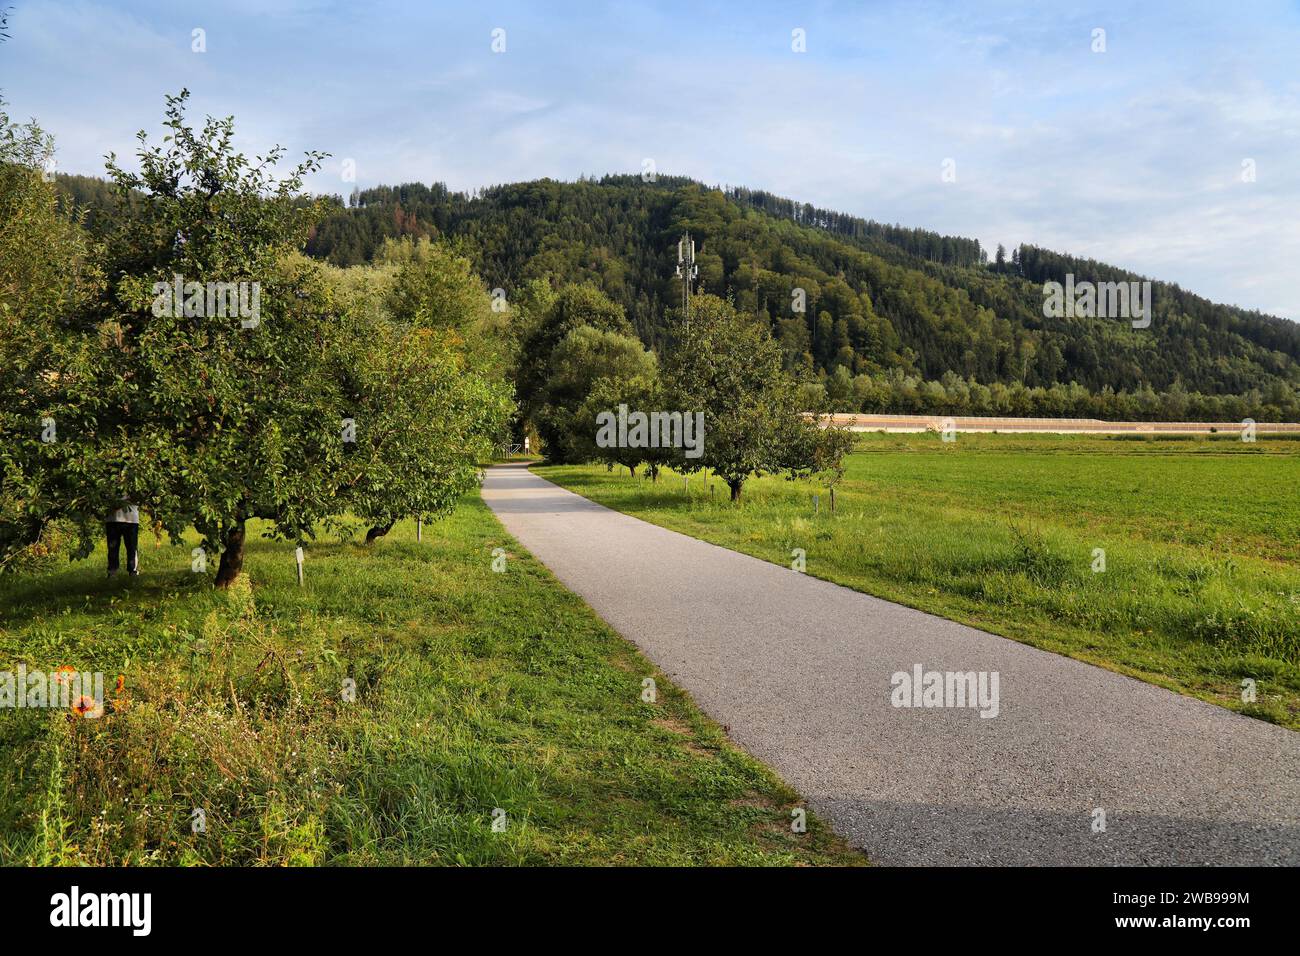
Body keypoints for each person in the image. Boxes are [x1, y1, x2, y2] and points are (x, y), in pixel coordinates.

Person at [106, 500, 140, 577]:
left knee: (132, 547)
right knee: (112, 547)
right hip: (112, 518)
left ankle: (133, 571)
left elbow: (140, 497)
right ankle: (112, 572)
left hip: (131, 519)